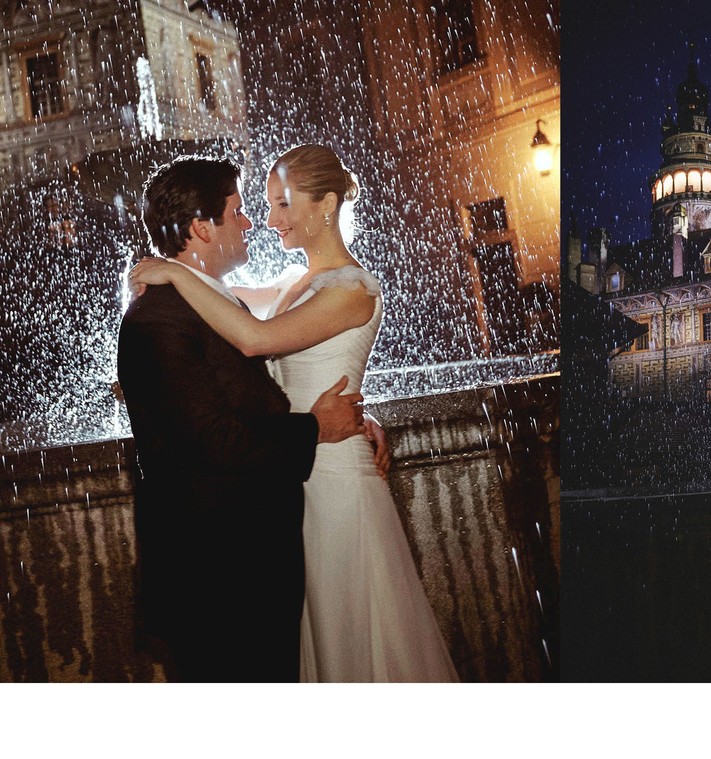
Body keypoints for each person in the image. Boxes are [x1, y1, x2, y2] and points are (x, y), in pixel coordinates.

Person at [131, 144, 459, 682]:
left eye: (282, 204)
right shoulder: (292, 286)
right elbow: (214, 310)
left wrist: (173, 273)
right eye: (264, 204)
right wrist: (152, 278)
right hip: (296, 473)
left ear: (325, 206)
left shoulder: (353, 289)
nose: (268, 219)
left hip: (333, 480)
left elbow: (254, 341)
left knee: (354, 635)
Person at [118, 156, 367, 682]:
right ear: (201, 227)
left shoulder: (208, 302)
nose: (252, 222)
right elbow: (216, 438)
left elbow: (267, 382)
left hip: (249, 567)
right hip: (219, 580)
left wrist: (358, 420)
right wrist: (318, 427)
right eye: (238, 212)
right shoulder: (160, 317)